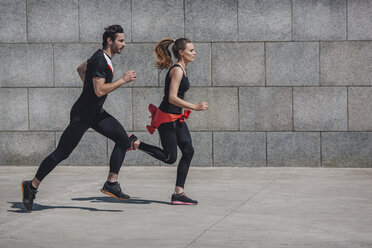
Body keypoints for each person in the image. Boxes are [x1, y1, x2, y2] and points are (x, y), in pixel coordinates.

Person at [21, 25, 137, 212]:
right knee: (62, 153)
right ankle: (31, 186)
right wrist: (122, 80)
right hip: (82, 115)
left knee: (124, 140)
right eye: (120, 40)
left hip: (95, 113)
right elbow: (99, 90)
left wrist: (89, 90)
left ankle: (111, 183)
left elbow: (81, 68)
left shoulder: (100, 57)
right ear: (110, 41)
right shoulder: (101, 59)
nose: (124, 44)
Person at [132, 38, 208, 205]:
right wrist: (195, 107)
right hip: (167, 118)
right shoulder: (178, 71)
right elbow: (172, 98)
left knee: (188, 151)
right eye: (191, 50)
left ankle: (178, 193)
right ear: (181, 53)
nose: (194, 53)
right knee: (170, 157)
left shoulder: (183, 69)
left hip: (176, 118)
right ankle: (135, 143)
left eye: (194, 50)